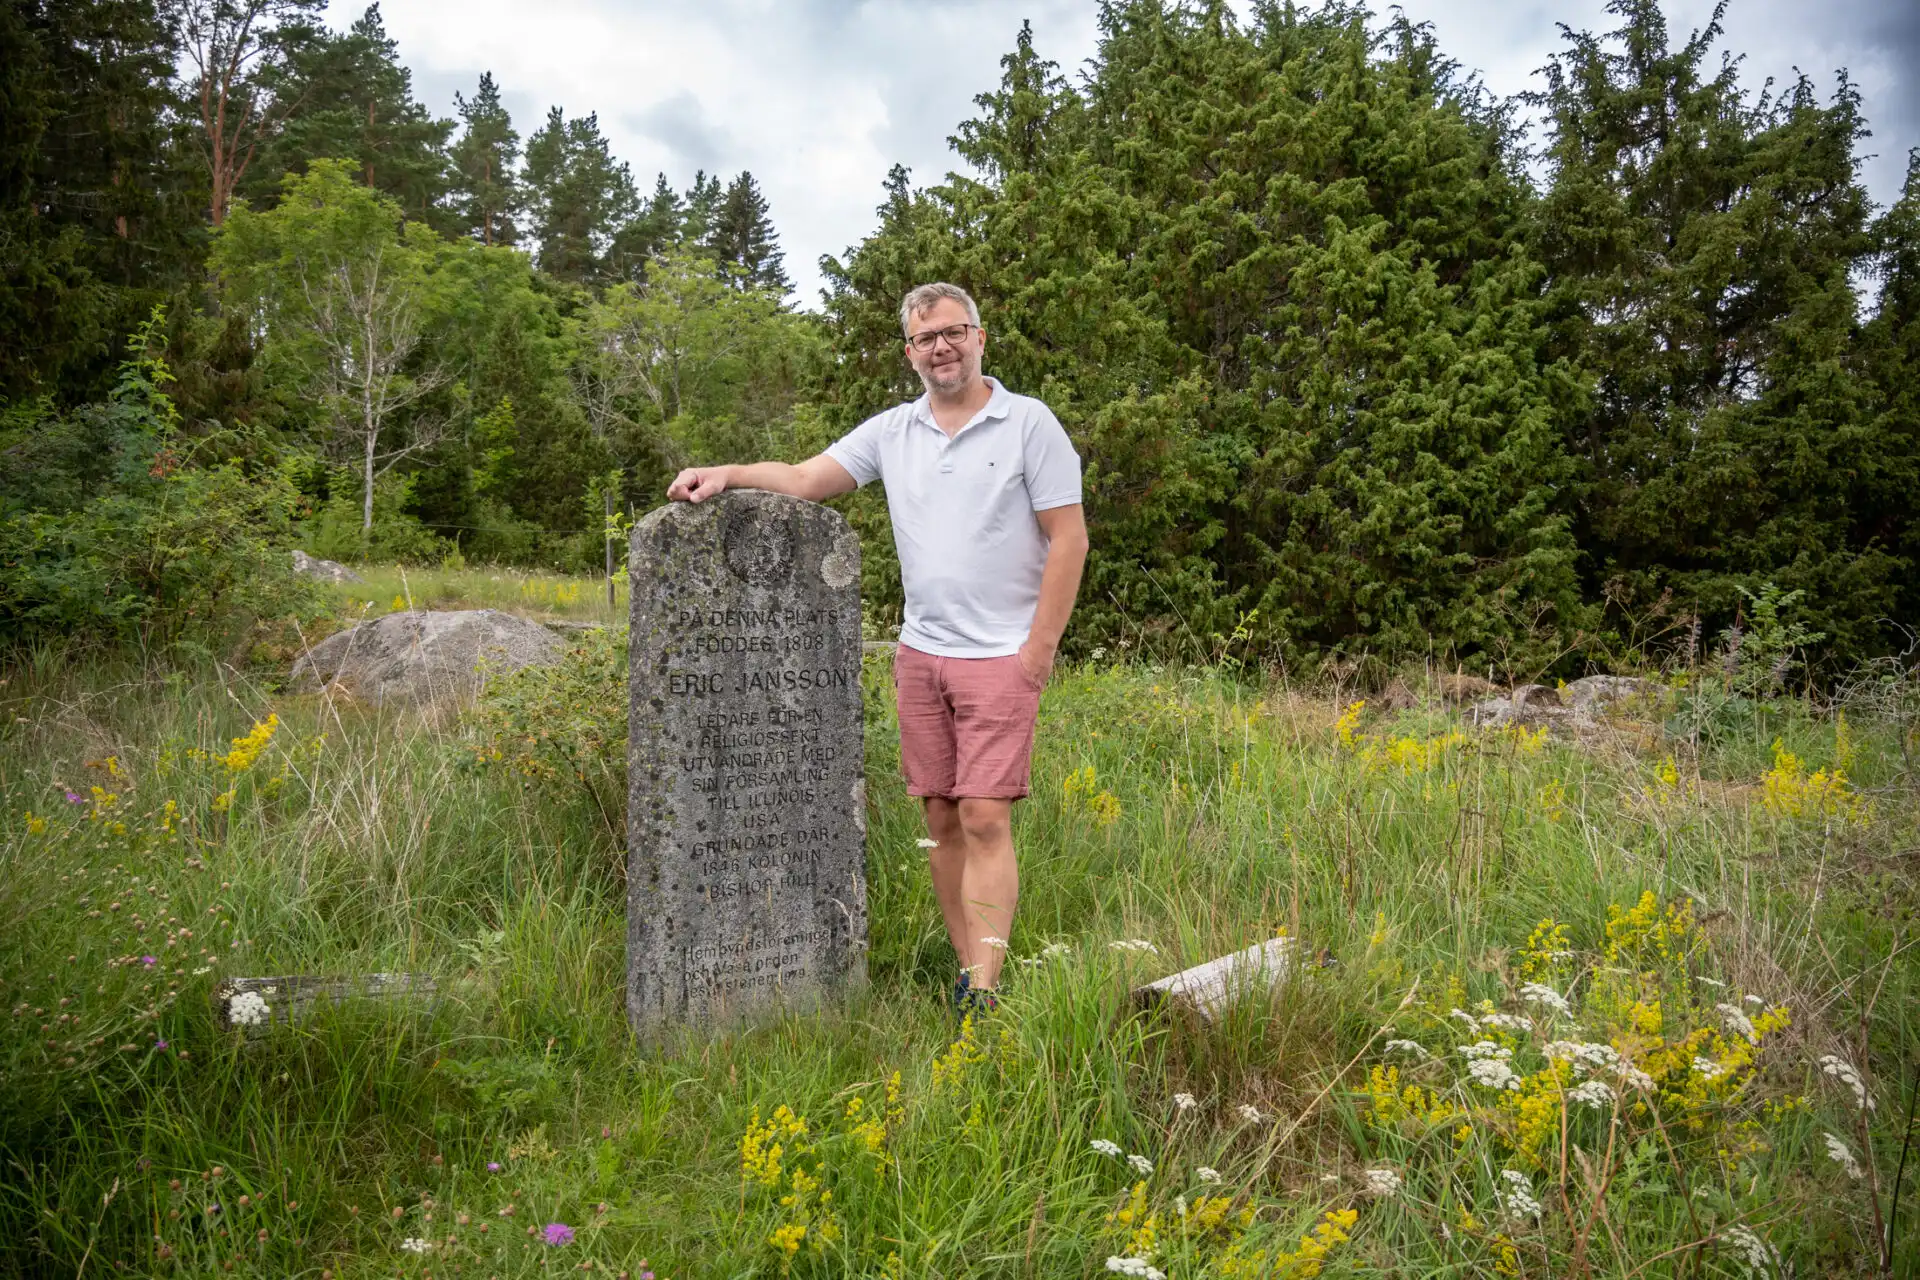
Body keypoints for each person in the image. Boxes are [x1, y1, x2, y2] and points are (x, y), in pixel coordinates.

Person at [666, 282, 1089, 1012]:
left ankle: (985, 995)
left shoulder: (1029, 424)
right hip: (921, 656)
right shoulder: (895, 431)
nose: (942, 348)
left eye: (954, 332)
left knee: (986, 815)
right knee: (939, 818)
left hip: (1000, 658)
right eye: (926, 339)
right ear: (910, 353)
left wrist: (1038, 652)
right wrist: (727, 473)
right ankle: (967, 970)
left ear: (980, 338)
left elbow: (1068, 538)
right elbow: (805, 480)